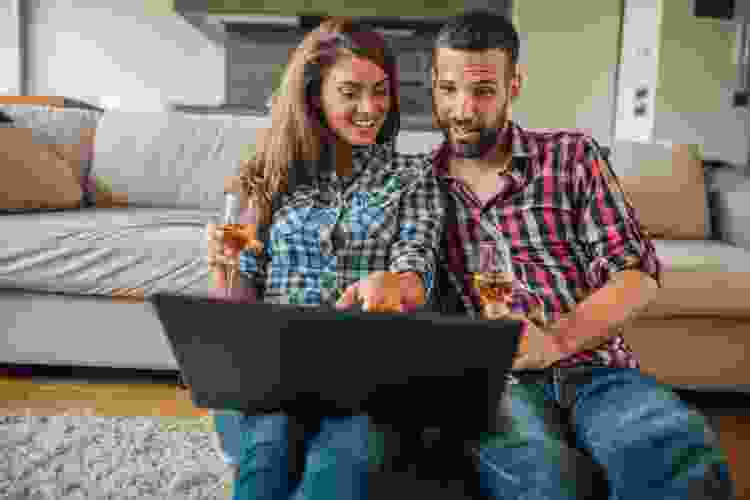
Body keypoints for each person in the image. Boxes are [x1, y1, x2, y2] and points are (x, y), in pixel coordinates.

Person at [371, 9, 733, 499]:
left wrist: (558, 341)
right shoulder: (417, 184)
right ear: (432, 83)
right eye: (449, 89)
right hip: (495, 381)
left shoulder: (572, 156)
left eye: (483, 91)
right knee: (541, 478)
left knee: (675, 452)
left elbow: (637, 273)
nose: (462, 109)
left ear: (514, 85)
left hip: (596, 369)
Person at [204, 17, 443, 500]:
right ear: (314, 96)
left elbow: (416, 265)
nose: (369, 109)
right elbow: (237, 302)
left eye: (380, 92)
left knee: (340, 464)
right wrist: (223, 267)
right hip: (275, 371)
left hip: (370, 376)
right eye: (350, 93)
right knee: (268, 450)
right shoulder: (265, 177)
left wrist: (394, 284)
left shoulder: (413, 177)